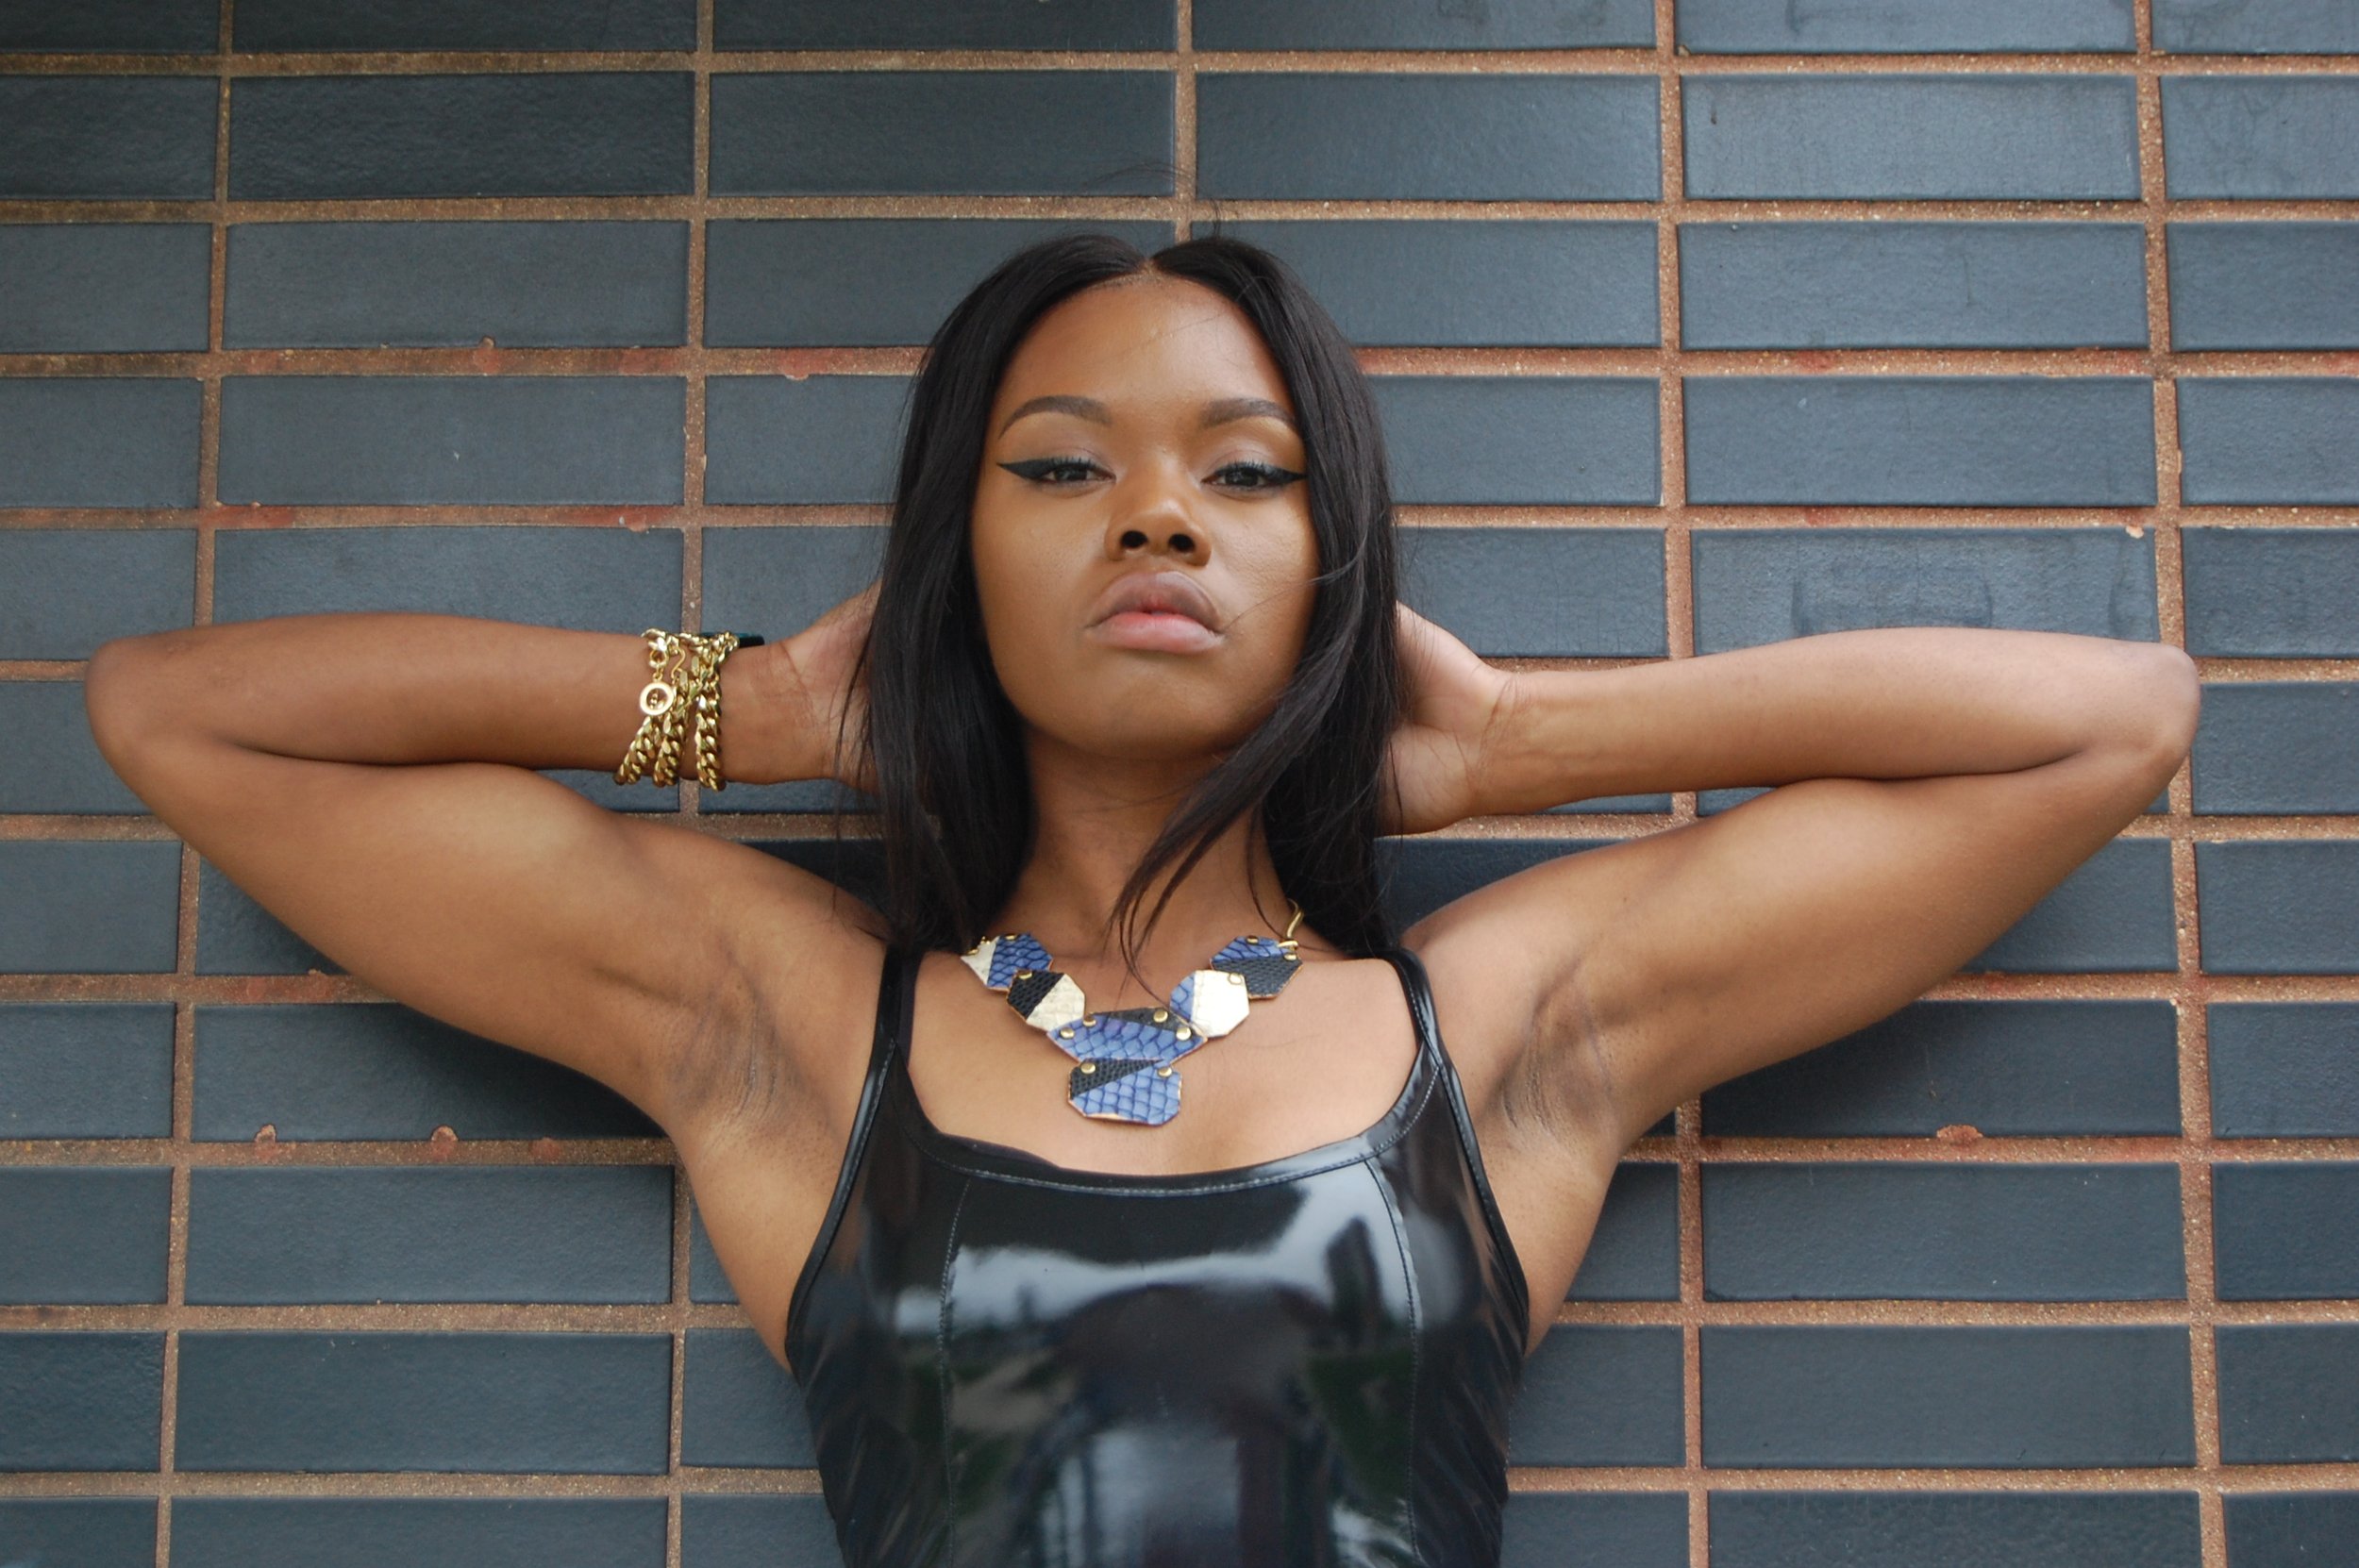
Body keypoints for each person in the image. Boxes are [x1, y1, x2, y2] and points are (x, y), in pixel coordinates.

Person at [84, 231, 2200, 1567]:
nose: (1160, 515)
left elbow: (2106, 718)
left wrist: (1512, 745)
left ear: (1326, 557)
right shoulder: (794, 1030)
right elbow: (185, 719)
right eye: (1061, 464)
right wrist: (760, 716)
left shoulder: (1503, 1030)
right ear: (956, 547)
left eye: (1247, 471)